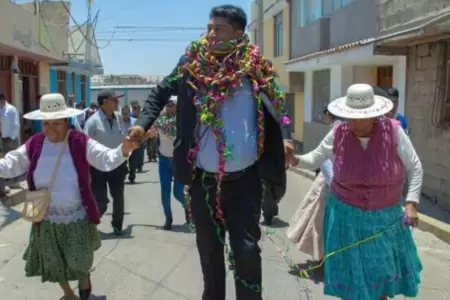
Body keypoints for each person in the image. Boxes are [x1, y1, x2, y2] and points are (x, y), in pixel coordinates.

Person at [128, 5, 293, 300]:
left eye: (219, 29)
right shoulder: (190, 64)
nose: (211, 34)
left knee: (247, 251)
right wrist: (142, 126)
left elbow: (277, 108)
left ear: (239, 33)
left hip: (245, 181)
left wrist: (285, 138)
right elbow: (158, 93)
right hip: (202, 181)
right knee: (209, 252)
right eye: (209, 28)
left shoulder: (256, 67)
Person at [288, 84, 422, 300]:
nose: (352, 123)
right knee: (351, 282)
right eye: (349, 117)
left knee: (380, 280)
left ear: (374, 115)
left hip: (383, 220)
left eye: (359, 118)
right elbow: (314, 158)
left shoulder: (394, 132)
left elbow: (415, 167)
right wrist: (294, 159)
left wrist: (411, 204)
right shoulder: (339, 132)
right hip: (345, 219)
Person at [0, 93, 136, 300]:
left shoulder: (80, 141)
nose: (50, 129)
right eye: (46, 123)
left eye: (56, 123)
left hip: (76, 218)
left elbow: (105, 158)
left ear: (66, 121)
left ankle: (84, 287)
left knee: (79, 262)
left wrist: (123, 150)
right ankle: (69, 294)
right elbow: (11, 164)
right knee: (54, 264)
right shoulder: (35, 143)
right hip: (45, 218)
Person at [286, 108, 338, 261]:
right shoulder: (338, 130)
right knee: (321, 222)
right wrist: (295, 160)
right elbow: (320, 157)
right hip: (332, 184)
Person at [84, 90, 128, 236]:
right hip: (98, 167)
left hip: (117, 164)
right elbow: (84, 145)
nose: (117, 103)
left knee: (118, 196)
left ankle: (117, 225)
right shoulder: (92, 122)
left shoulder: (119, 117)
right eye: (114, 100)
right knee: (100, 200)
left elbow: (123, 137)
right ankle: (91, 224)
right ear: (104, 102)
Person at [148, 96, 188, 229]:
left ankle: (188, 207)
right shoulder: (160, 120)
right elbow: (152, 133)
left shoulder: (183, 120)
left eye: (173, 104)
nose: (170, 106)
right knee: (165, 191)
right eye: (168, 104)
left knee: (178, 192)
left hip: (178, 160)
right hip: (164, 159)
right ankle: (168, 218)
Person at [0, 89, 21, 196]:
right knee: (5, 161)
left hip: (11, 139)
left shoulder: (11, 109)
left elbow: (16, 125)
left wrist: (12, 138)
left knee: (12, 160)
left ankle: (14, 182)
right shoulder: (0, 109)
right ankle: (7, 183)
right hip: (3, 139)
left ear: (3, 99)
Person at [120, 105, 138, 183]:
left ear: (129, 113)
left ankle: (132, 177)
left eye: (127, 113)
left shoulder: (134, 121)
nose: (125, 115)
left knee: (133, 163)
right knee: (122, 163)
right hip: (122, 145)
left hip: (132, 145)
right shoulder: (118, 122)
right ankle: (123, 175)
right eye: (123, 114)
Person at [131, 102, 145, 172]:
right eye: (137, 110)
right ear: (133, 110)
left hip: (141, 137)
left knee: (140, 153)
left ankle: (140, 166)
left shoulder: (142, 116)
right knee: (134, 154)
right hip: (133, 138)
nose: (138, 112)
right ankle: (133, 167)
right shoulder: (130, 117)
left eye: (139, 110)